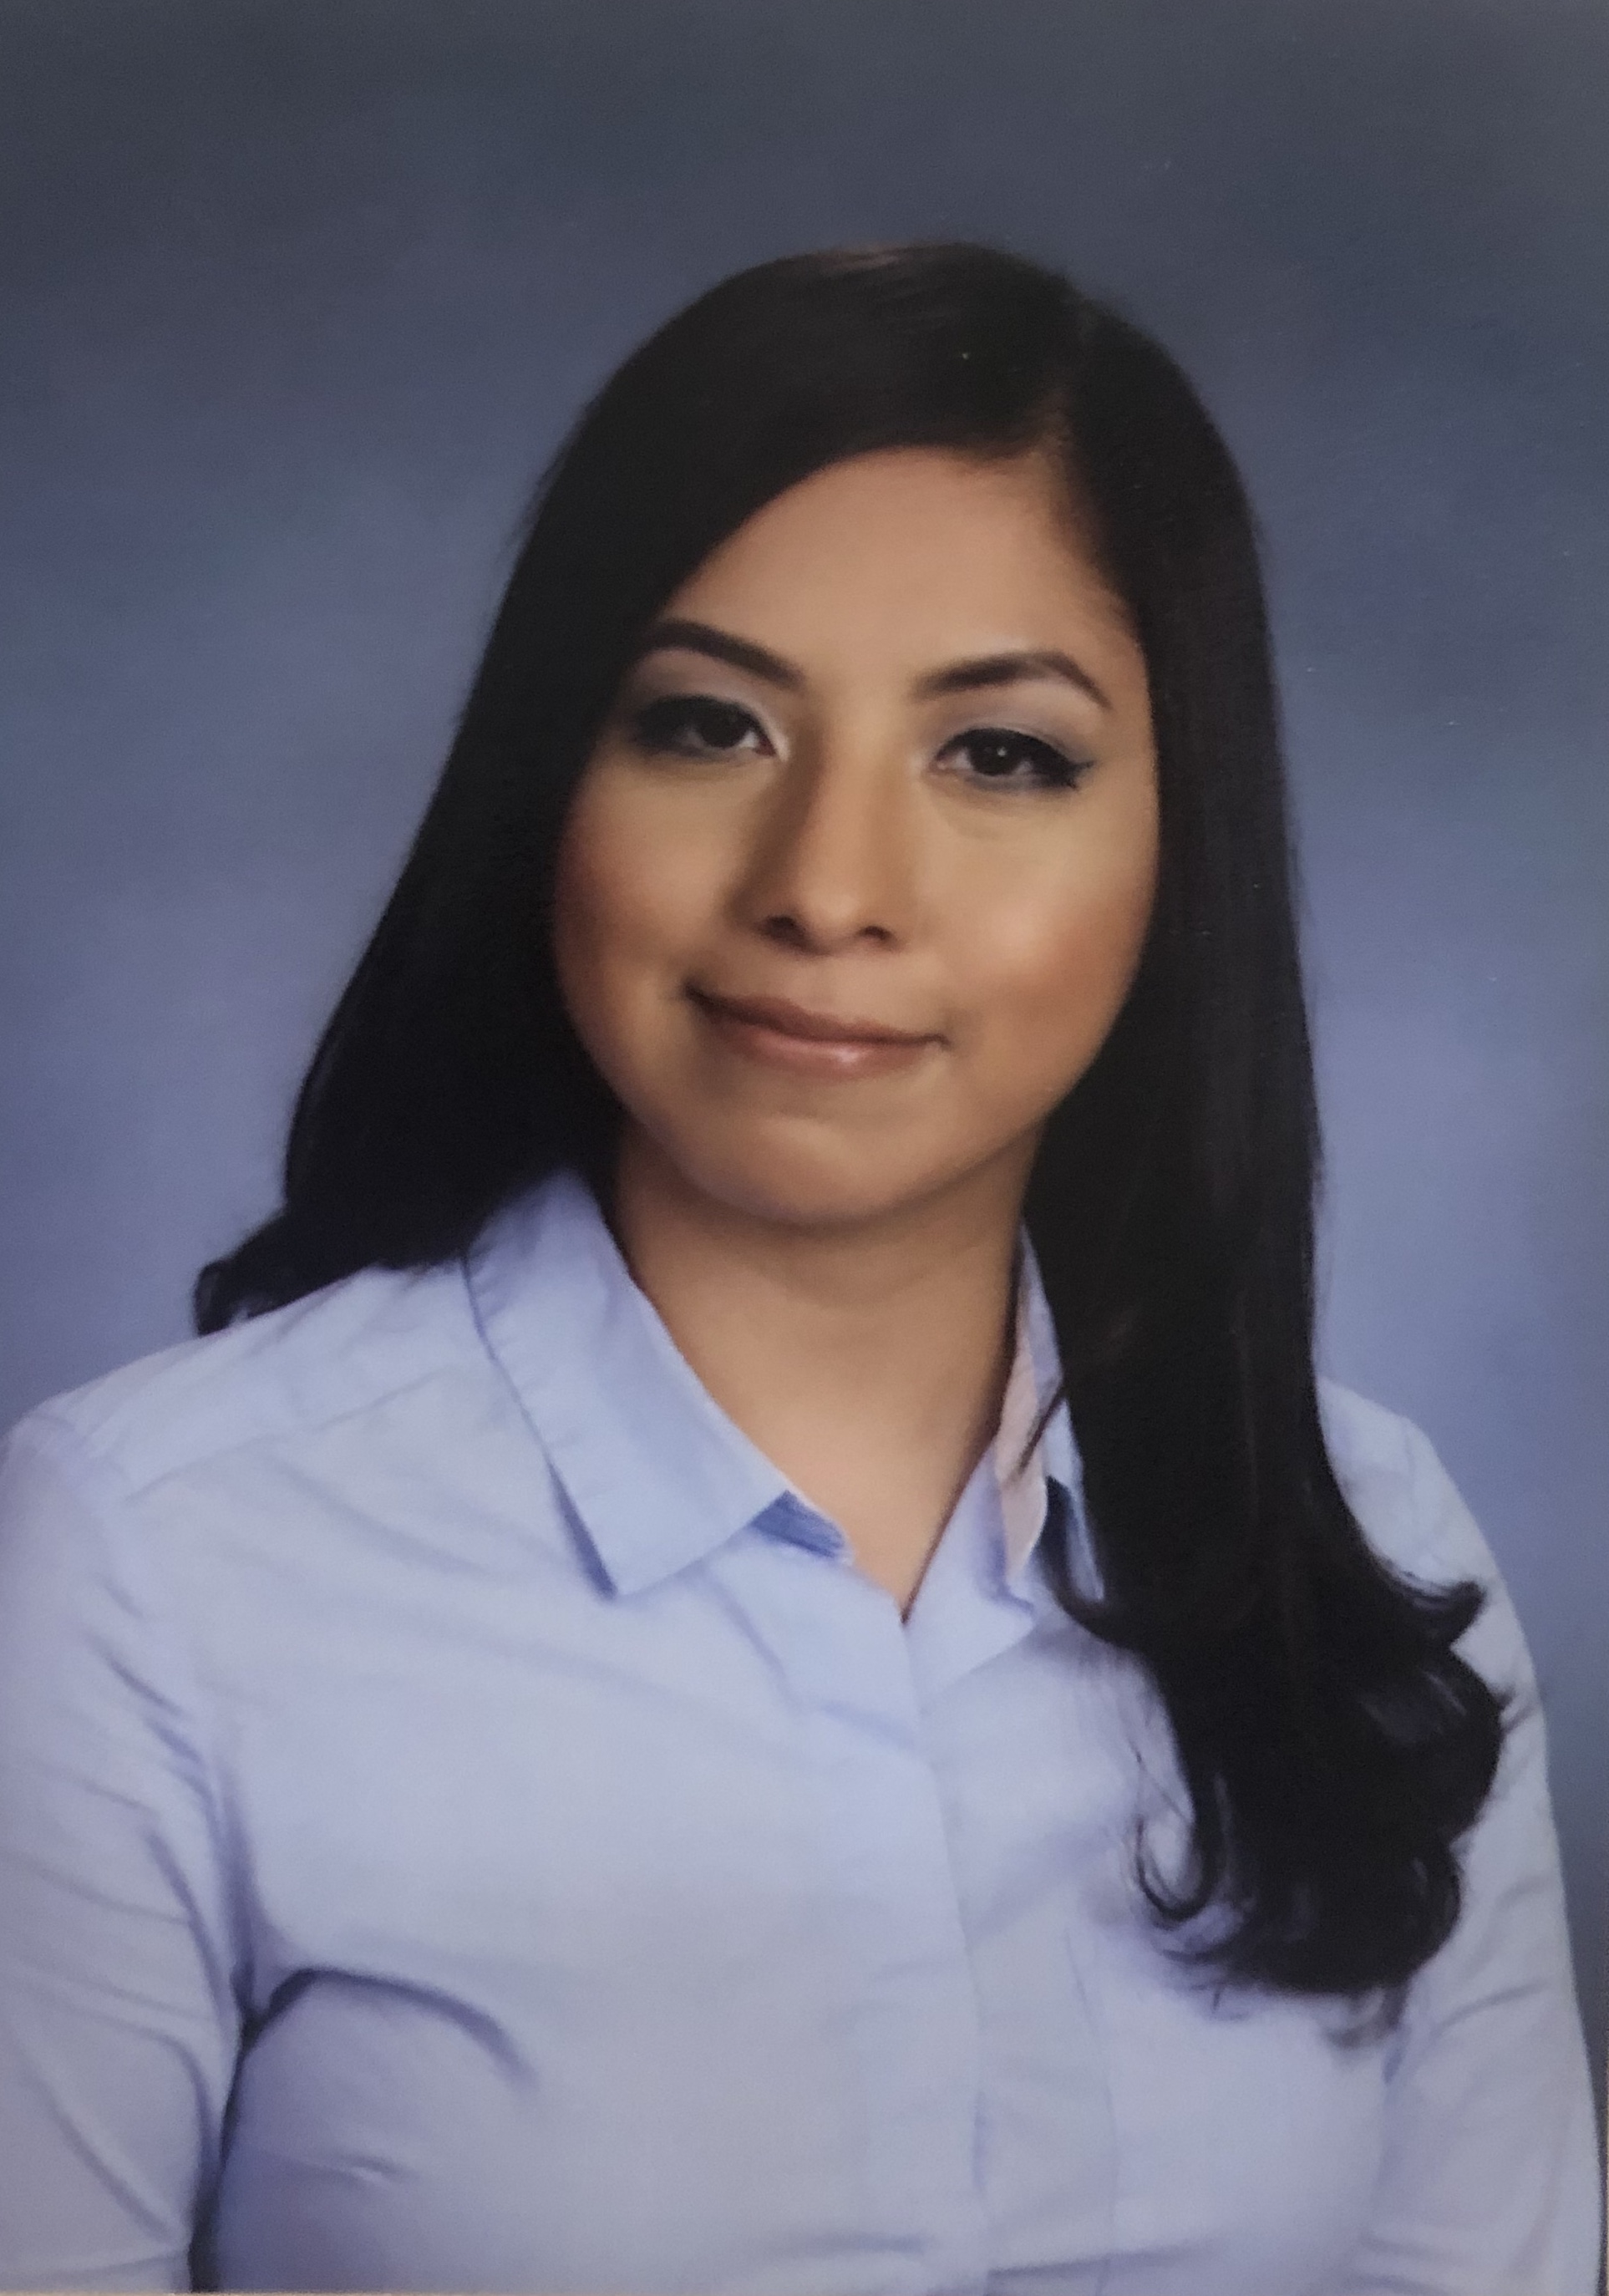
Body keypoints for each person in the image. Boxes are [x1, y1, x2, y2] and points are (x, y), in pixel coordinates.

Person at [0, 242, 1596, 2296]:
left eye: (1000, 756)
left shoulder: (1365, 1548)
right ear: (547, 785)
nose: (829, 889)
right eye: (708, 727)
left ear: (1177, 852)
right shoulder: (147, 1568)